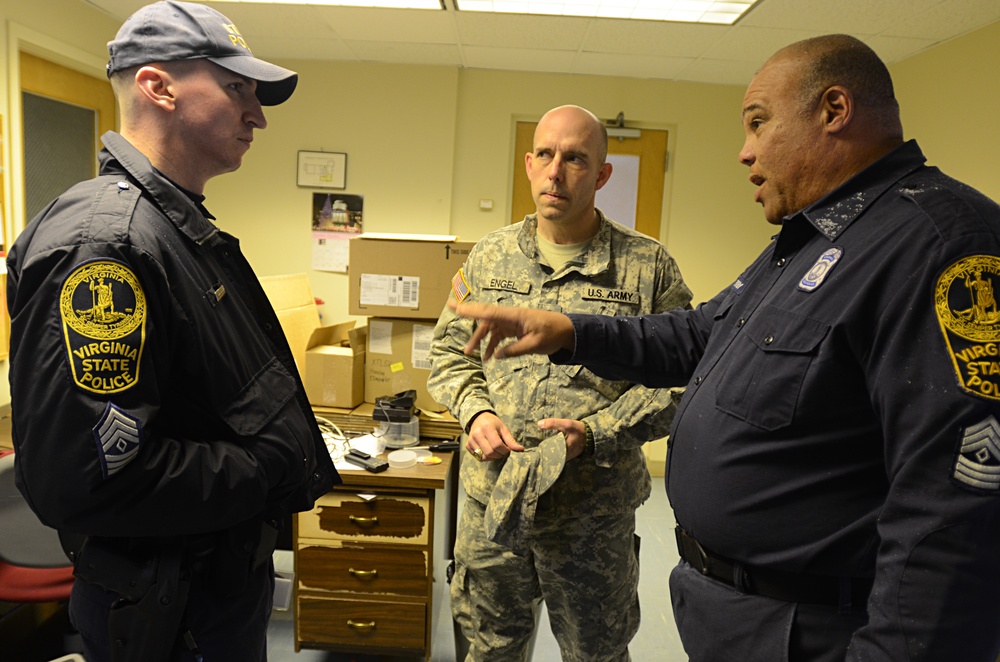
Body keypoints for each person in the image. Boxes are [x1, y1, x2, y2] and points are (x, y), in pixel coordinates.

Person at [443, 35, 1000, 662]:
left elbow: (955, 511)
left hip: (807, 621)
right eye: (543, 154)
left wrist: (596, 430)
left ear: (834, 110)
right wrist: (573, 331)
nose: (744, 152)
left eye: (758, 123)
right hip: (734, 606)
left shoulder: (941, 245)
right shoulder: (818, 237)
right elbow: (703, 333)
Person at [5, 2, 338, 661]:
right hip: (170, 614)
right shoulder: (106, 244)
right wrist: (268, 464)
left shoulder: (174, 229)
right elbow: (85, 477)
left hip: (206, 589)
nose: (258, 114)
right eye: (237, 89)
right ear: (159, 87)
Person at [427, 104, 692, 661]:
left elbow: (682, 377)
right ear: (528, 163)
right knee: (490, 648)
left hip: (591, 512)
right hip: (493, 501)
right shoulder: (489, 256)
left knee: (595, 652)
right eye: (545, 155)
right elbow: (450, 354)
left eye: (574, 159)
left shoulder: (647, 267)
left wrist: (598, 432)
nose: (555, 172)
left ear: (601, 174)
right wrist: (475, 412)